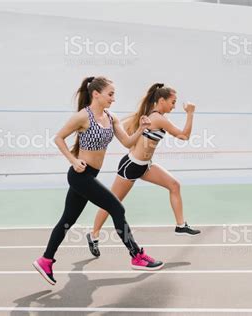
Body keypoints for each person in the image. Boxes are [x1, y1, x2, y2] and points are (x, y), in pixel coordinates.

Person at [33, 76, 164, 286]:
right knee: (117, 209)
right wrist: (73, 160)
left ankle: (46, 259)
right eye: (110, 94)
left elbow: (127, 142)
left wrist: (140, 129)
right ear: (96, 94)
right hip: (80, 175)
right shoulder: (82, 116)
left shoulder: (111, 118)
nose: (114, 98)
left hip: (89, 176)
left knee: (67, 220)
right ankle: (136, 255)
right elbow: (58, 138)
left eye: (114, 95)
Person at [86, 83, 200, 258]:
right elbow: (184, 136)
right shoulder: (158, 118)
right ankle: (93, 235)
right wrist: (190, 113)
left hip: (145, 166)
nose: (174, 106)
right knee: (112, 204)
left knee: (174, 185)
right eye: (172, 102)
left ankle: (180, 225)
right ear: (161, 100)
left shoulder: (157, 117)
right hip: (131, 167)